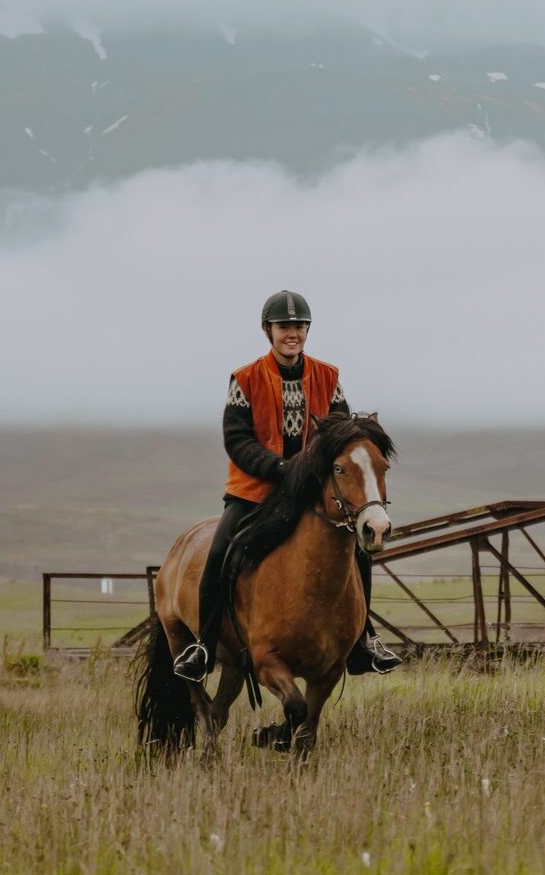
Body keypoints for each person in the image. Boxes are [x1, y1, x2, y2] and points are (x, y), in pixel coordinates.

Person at [172, 289, 402, 682]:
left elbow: (340, 433)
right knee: (221, 548)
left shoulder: (330, 377)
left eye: (299, 326)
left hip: (310, 490)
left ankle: (365, 640)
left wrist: (315, 470)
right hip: (255, 490)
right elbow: (237, 440)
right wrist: (281, 468)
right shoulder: (244, 379)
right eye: (284, 327)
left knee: (357, 547)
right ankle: (204, 646)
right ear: (268, 331)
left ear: (306, 331)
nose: (292, 333)